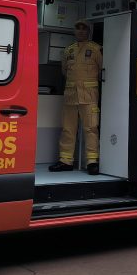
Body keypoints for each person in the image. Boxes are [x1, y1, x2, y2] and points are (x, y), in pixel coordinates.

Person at [49, 19, 103, 175]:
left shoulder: (96, 50)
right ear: (74, 31)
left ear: (88, 31)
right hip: (71, 96)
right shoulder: (68, 50)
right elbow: (65, 71)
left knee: (91, 129)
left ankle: (92, 161)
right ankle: (65, 161)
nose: (80, 31)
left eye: (83, 28)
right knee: (68, 129)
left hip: (89, 96)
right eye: (77, 28)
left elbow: (101, 71)